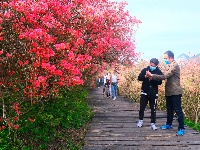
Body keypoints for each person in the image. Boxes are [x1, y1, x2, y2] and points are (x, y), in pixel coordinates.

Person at [146, 50, 185, 136]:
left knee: (178, 110)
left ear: (170, 57)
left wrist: (152, 75)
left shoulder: (174, 66)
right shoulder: (169, 65)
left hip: (175, 92)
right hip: (169, 92)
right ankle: (169, 124)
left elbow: (164, 76)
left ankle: (181, 127)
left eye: (165, 58)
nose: (165, 60)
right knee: (169, 109)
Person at [137, 58, 163, 130]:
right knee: (142, 107)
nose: (152, 65)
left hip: (154, 93)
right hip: (144, 92)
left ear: (156, 65)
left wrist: (153, 78)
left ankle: (153, 123)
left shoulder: (158, 71)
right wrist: (145, 76)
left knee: (153, 109)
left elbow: (160, 82)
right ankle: (140, 120)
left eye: (154, 64)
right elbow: (139, 78)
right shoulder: (145, 70)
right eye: (151, 63)